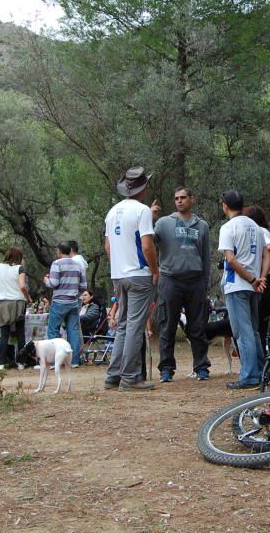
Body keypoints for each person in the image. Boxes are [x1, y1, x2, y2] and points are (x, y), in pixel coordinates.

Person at [103, 166, 159, 392]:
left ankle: (113, 375)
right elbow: (147, 245)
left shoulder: (112, 211)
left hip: (119, 275)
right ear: (143, 189)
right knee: (136, 326)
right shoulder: (142, 211)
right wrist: (155, 269)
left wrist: (118, 265)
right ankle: (130, 377)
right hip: (139, 274)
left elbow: (108, 247)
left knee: (124, 325)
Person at [150, 186, 211, 383]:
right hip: (170, 280)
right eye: (176, 198)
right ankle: (166, 369)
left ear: (192, 199)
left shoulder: (202, 225)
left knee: (197, 327)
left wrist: (204, 284)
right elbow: (148, 242)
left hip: (195, 281)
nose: (179, 201)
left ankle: (201, 367)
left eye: (183, 197)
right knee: (167, 326)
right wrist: (150, 218)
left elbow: (206, 257)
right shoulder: (163, 223)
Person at [217, 189, 266, 390]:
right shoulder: (255, 226)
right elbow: (265, 254)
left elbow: (230, 259)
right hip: (253, 286)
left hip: (237, 284)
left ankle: (249, 376)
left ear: (225, 206)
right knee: (253, 330)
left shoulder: (228, 228)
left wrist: (252, 279)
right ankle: (261, 370)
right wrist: (260, 278)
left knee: (242, 332)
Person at [244, 205, 270, 358]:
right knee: (263, 325)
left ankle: (264, 361)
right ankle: (263, 360)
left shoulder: (261, 232)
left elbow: (269, 247)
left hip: (267, 281)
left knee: (262, 324)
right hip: (269, 280)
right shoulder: (259, 232)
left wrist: (261, 274)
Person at [45, 241, 87, 368]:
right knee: (72, 331)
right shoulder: (77, 265)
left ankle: (53, 362)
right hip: (73, 302)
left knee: (53, 331)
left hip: (59, 302)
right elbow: (84, 286)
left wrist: (46, 280)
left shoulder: (56, 264)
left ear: (59, 252)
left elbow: (54, 283)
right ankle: (74, 361)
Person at [0, 246, 32, 368]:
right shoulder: (20, 268)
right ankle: (22, 362)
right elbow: (22, 286)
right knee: (20, 333)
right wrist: (28, 298)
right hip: (18, 302)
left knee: (4, 333)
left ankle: (1, 362)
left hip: (3, 302)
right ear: (19, 257)